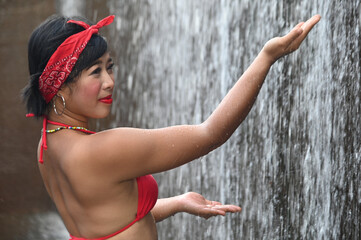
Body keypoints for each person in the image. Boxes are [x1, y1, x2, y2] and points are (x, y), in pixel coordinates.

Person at [22, 12, 320, 240]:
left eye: (109, 67)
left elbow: (108, 216)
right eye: (95, 72)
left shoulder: (48, 145)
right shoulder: (103, 149)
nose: (109, 82)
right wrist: (267, 58)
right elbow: (210, 134)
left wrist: (178, 202)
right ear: (60, 86)